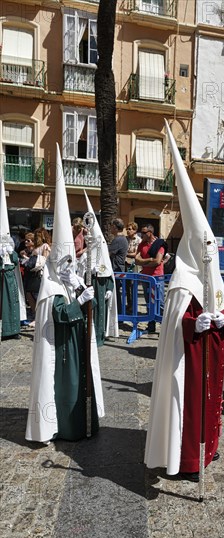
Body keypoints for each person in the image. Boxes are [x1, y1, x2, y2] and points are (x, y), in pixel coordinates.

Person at [145, 122, 224, 482]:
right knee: (187, 409)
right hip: (188, 365)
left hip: (212, 359)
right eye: (206, 248)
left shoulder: (214, 278)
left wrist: (220, 321)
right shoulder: (181, 282)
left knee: (209, 407)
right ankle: (184, 459)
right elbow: (171, 330)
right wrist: (189, 324)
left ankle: (208, 449)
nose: (210, 254)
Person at [26, 144, 104, 444]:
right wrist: (77, 304)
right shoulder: (51, 285)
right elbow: (57, 313)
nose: (70, 266)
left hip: (77, 342)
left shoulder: (69, 281)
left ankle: (87, 423)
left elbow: (83, 301)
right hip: (61, 348)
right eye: (66, 262)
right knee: (68, 386)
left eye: (72, 261)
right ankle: (68, 427)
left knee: (83, 383)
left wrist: (85, 292)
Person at [81, 191, 119, 346]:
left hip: (101, 286)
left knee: (100, 312)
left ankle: (99, 336)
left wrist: (109, 287)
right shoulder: (86, 252)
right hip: (89, 285)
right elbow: (81, 267)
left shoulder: (102, 250)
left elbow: (107, 271)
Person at [0, 178, 26, 339]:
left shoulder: (11, 251)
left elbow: (15, 260)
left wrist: (10, 253)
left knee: (12, 304)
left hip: (9, 278)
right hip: (2, 276)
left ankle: (12, 330)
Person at [135, 224, 166, 334]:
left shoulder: (159, 244)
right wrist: (149, 260)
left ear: (150, 233)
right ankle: (151, 326)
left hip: (157, 277)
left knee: (160, 303)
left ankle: (165, 327)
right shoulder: (141, 244)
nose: (141, 234)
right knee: (149, 303)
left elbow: (158, 261)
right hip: (146, 277)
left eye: (143, 232)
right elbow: (136, 259)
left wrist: (144, 263)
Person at [108, 218, 128, 314]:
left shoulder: (118, 239)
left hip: (117, 268)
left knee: (116, 294)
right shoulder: (122, 238)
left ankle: (118, 314)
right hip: (118, 268)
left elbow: (109, 252)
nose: (110, 229)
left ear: (115, 227)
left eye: (111, 227)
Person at [125, 222, 141, 314]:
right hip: (125, 264)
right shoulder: (125, 239)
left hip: (133, 265)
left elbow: (135, 254)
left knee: (133, 285)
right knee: (127, 286)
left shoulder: (138, 240)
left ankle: (134, 305)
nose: (128, 231)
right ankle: (129, 304)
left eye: (130, 229)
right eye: (127, 229)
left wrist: (125, 254)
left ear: (135, 230)